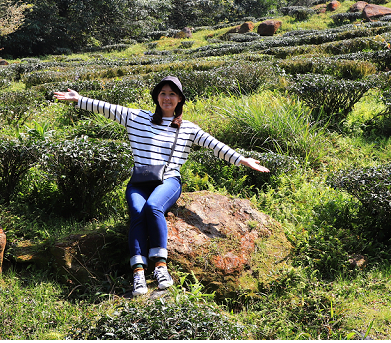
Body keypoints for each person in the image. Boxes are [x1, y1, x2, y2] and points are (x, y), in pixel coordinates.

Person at [54, 76, 269, 296]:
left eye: (172, 94)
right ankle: (138, 273)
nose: (167, 98)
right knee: (137, 212)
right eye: (163, 93)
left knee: (153, 207)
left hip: (169, 180)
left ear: (179, 100)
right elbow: (108, 108)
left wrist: (243, 159)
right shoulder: (137, 117)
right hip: (139, 181)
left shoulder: (187, 129)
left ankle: (160, 267)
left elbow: (215, 145)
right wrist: (79, 99)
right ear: (157, 97)